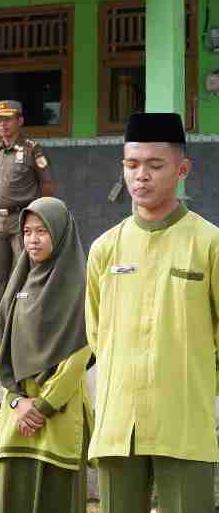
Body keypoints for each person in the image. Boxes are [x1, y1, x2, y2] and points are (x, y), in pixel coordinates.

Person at [87, 113, 219, 513]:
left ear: (182, 169)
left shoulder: (208, 244)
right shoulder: (105, 249)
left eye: (154, 165)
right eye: (132, 164)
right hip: (118, 425)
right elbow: (97, 333)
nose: (140, 176)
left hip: (183, 422)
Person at [0, 197, 93, 513]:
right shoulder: (18, 281)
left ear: (60, 233)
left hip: (58, 414)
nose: (32, 240)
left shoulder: (80, 286)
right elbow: (1, 348)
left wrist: (43, 407)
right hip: (18, 410)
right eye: (27, 232)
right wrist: (17, 401)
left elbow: (80, 352)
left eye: (42, 231)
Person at [0, 100, 54, 354]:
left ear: (20, 121)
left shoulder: (32, 149)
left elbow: (48, 185)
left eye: (8, 119)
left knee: (25, 278)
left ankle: (23, 334)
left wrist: (39, 220)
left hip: (23, 222)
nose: (3, 124)